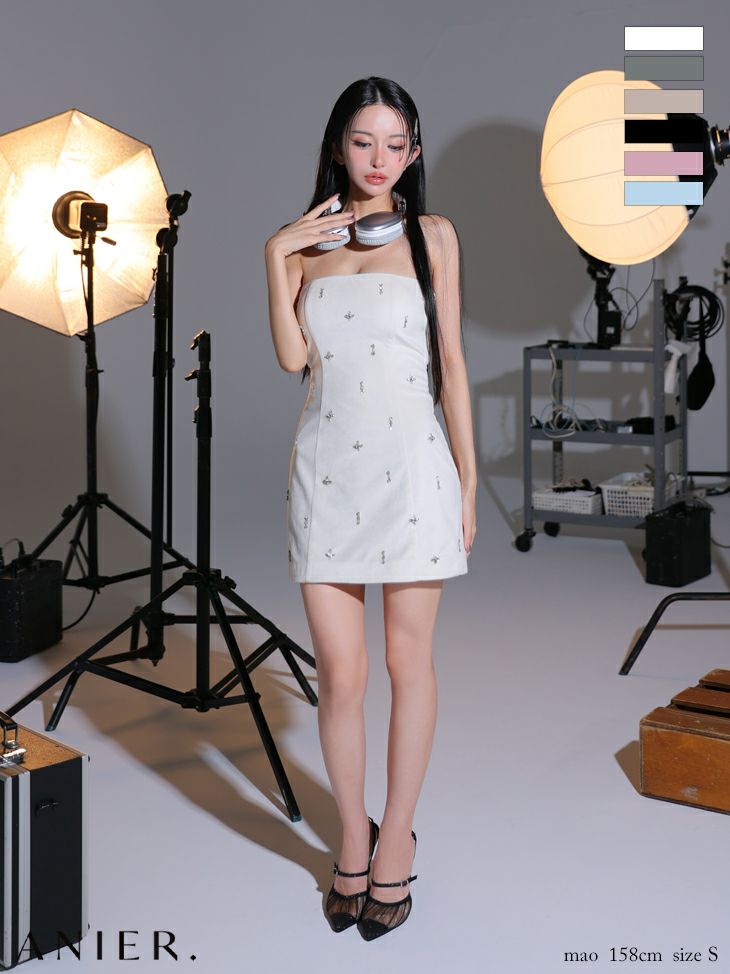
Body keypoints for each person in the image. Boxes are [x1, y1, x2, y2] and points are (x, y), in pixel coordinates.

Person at [264, 77, 477, 940]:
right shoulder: (304, 246)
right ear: (337, 146)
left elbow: (452, 366)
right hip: (327, 474)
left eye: (395, 144)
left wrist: (469, 482)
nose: (379, 159)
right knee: (341, 675)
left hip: (414, 472)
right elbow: (291, 360)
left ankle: (397, 840)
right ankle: (353, 835)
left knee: (406, 662)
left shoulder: (434, 236)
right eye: (363, 142)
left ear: (414, 152)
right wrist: (274, 252)